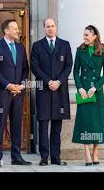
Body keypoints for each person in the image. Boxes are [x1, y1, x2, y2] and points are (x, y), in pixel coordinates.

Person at [31, 18, 73, 166]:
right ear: (44, 28)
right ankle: (44, 157)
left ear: (56, 27)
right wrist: (49, 81)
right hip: (44, 90)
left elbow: (68, 66)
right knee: (43, 124)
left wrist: (58, 81)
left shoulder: (65, 45)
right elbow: (35, 67)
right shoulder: (37, 46)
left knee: (57, 125)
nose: (50, 28)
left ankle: (56, 157)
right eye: (47, 26)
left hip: (59, 90)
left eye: (52, 26)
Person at [0, 19, 31, 167]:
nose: (18, 30)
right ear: (6, 31)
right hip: (3, 92)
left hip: (18, 93)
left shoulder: (20, 48)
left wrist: (20, 86)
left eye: (17, 28)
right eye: (14, 28)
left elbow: (25, 68)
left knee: (16, 124)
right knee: (0, 124)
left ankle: (16, 156)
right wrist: (8, 85)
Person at [72, 25, 104, 166]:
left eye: (87, 35)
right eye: (84, 35)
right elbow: (76, 72)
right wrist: (80, 87)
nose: (84, 37)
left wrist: (96, 87)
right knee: (85, 121)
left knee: (97, 123)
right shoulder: (79, 50)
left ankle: (95, 152)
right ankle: (87, 152)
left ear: (94, 36)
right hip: (84, 92)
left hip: (96, 92)